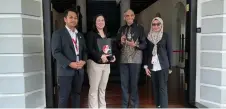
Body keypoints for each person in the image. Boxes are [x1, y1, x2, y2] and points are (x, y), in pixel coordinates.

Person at [51, 8, 87, 108]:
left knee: (77, 95)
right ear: (65, 19)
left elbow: (85, 51)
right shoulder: (58, 34)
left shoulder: (80, 35)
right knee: (64, 97)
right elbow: (56, 52)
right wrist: (69, 63)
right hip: (65, 71)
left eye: (75, 18)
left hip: (79, 70)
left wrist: (83, 61)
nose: (73, 20)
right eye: (71, 17)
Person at [116, 9, 146, 108]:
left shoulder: (139, 28)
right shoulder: (121, 29)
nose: (129, 17)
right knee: (124, 85)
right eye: (127, 16)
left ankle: (134, 105)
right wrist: (120, 41)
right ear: (124, 17)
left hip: (135, 60)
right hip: (123, 60)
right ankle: (124, 105)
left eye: (131, 15)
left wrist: (135, 44)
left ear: (134, 16)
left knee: (133, 84)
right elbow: (117, 46)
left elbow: (144, 44)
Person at [86, 14, 116, 108]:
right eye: (98, 20)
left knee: (102, 89)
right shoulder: (91, 34)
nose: (100, 22)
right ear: (94, 22)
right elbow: (90, 49)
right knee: (94, 89)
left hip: (106, 65)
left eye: (102, 20)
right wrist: (100, 56)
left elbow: (109, 49)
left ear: (105, 22)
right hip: (95, 64)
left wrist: (112, 56)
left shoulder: (107, 34)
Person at [143, 17, 172, 108]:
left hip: (163, 66)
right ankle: (158, 106)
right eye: (154, 24)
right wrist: (146, 67)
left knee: (162, 88)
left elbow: (169, 51)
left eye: (158, 24)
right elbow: (147, 53)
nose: (156, 26)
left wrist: (170, 67)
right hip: (152, 66)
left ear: (161, 25)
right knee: (155, 88)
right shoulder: (148, 37)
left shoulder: (165, 36)